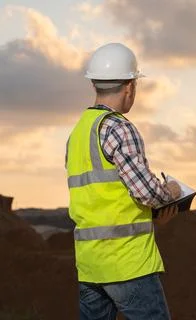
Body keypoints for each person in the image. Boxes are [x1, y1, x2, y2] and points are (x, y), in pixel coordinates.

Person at [65, 42, 181, 320]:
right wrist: (172, 192)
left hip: (91, 265)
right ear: (130, 86)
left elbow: (103, 199)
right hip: (128, 264)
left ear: (95, 84)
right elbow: (147, 193)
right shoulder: (119, 128)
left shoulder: (78, 133)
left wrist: (151, 217)